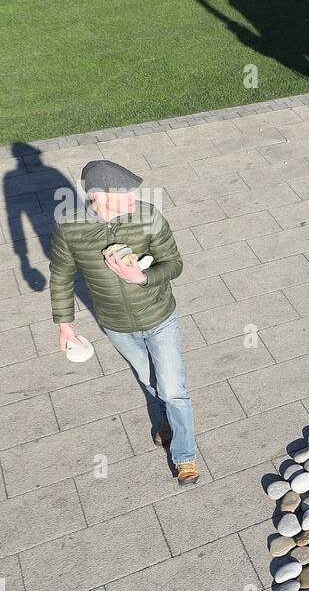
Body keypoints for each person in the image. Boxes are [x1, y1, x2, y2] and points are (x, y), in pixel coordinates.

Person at [50, 159, 198, 486]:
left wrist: (143, 277)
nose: (135, 198)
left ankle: (185, 457)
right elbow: (61, 276)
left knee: (172, 388)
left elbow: (174, 264)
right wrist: (65, 324)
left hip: (159, 314)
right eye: (125, 194)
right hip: (115, 324)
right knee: (148, 379)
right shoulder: (70, 227)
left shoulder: (147, 217)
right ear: (99, 197)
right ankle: (167, 424)